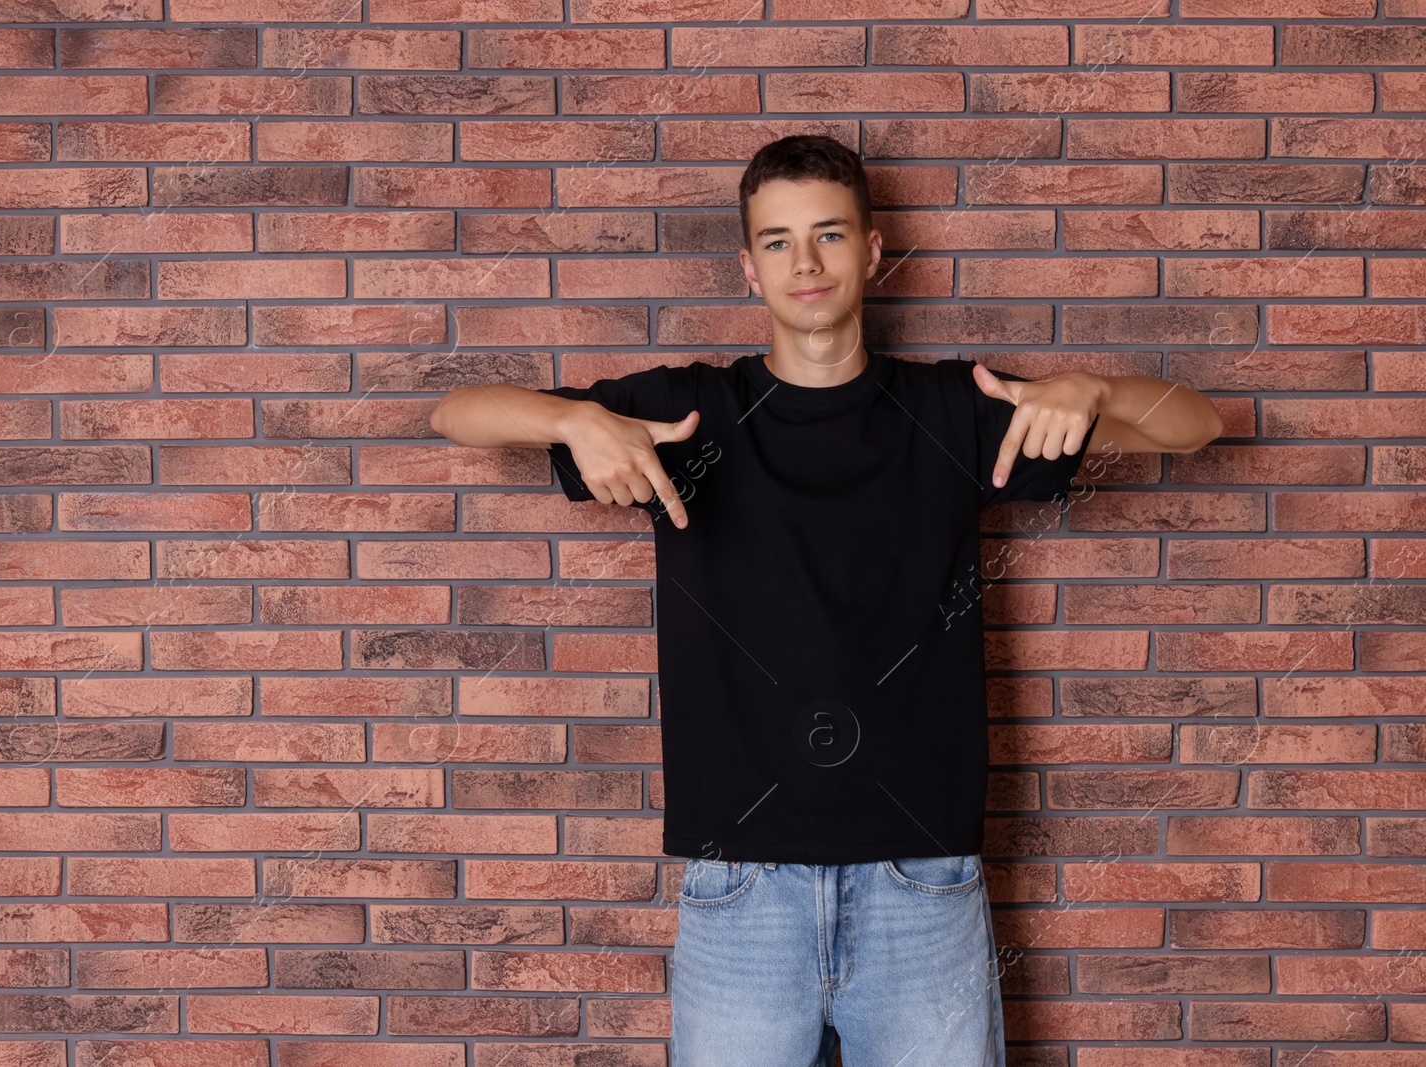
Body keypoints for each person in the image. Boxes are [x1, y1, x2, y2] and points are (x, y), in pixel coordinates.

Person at [429, 134, 1223, 1067]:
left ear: (875, 251)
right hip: (741, 890)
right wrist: (571, 419)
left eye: (829, 235)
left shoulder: (955, 408)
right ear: (748, 266)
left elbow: (1197, 425)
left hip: (921, 884)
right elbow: (459, 412)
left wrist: (1092, 389)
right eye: (776, 241)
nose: (804, 263)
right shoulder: (688, 416)